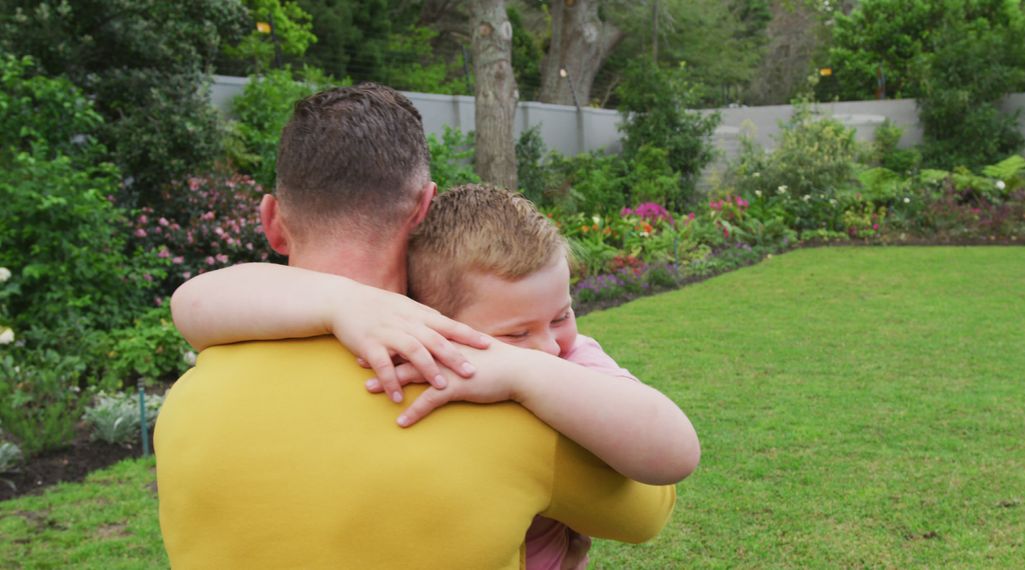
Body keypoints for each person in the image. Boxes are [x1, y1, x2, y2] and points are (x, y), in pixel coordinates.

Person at [154, 84, 687, 569]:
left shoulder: (186, 400)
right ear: (424, 210)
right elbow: (648, 511)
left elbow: (194, 301)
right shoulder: (473, 377)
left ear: (272, 222)